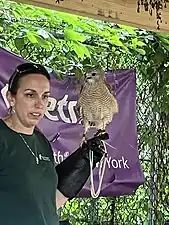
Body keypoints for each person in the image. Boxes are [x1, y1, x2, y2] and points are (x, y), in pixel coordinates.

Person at [0, 62, 108, 225]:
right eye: (30, 95)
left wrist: (82, 164)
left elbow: (47, 204)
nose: (39, 104)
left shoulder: (41, 141)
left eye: (44, 96)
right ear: (11, 98)